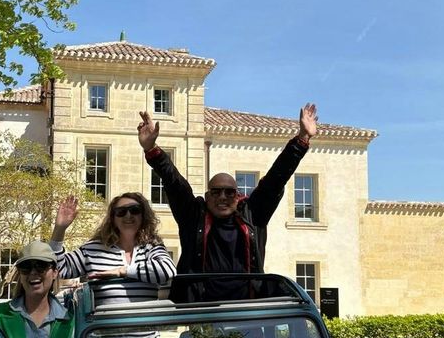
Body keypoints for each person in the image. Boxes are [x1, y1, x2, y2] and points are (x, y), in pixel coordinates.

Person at [137, 103, 319, 299]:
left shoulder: (253, 214)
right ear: (207, 197)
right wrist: (151, 149)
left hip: (246, 311)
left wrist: (302, 139)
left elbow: (276, 178)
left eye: (229, 192)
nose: (222, 197)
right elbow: (174, 182)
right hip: (203, 313)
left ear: (237, 195)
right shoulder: (194, 216)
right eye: (216, 192)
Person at [50, 192, 176, 305]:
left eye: (134, 210)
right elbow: (58, 269)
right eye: (121, 212)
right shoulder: (93, 249)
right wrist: (60, 228)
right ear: (113, 219)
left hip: (146, 330)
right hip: (104, 330)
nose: (128, 215)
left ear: (143, 216)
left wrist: (122, 271)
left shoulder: (151, 246)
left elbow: (167, 271)